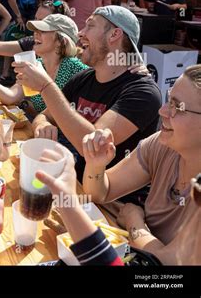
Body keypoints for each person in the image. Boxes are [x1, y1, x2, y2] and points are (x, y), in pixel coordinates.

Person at [15, 6, 161, 206]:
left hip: (114, 207)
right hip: (75, 187)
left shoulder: (143, 93)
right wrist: (42, 125)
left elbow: (93, 146)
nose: (80, 33)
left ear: (115, 34)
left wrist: (45, 87)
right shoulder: (83, 79)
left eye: (90, 25)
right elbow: (44, 116)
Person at [82, 65, 201, 250]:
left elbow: (166, 265)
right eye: (168, 100)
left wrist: (134, 222)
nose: (162, 111)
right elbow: (99, 192)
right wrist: (95, 165)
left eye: (177, 106)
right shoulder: (163, 145)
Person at [0, 14, 86, 120]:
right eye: (36, 30)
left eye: (43, 31)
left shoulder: (75, 68)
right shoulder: (37, 65)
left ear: (61, 41)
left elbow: (70, 117)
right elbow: (10, 97)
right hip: (37, 133)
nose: (35, 33)